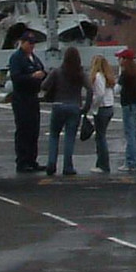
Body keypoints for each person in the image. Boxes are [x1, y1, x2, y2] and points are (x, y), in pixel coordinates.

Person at [40, 45, 93, 176]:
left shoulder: (57, 72)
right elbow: (90, 89)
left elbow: (44, 86)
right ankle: (68, 166)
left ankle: (51, 164)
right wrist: (85, 107)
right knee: (70, 138)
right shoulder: (80, 74)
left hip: (58, 105)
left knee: (54, 135)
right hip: (74, 106)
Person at [8, 30, 47, 172]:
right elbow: (16, 78)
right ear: (22, 43)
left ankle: (32, 159)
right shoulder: (16, 58)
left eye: (33, 43)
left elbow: (43, 70)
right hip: (21, 98)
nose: (31, 46)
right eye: (29, 43)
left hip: (33, 98)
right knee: (23, 130)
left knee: (33, 130)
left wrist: (42, 75)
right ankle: (22, 161)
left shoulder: (34, 58)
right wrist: (32, 76)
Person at [89, 54, 116, 174]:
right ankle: (100, 163)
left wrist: (93, 106)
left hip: (102, 108)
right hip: (109, 107)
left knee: (100, 137)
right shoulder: (108, 77)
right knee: (101, 136)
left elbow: (99, 94)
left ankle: (103, 165)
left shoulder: (98, 77)